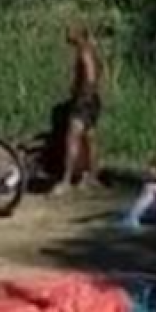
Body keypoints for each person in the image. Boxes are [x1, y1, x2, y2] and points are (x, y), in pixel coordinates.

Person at [63, 25, 104, 190]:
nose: (67, 35)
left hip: (84, 101)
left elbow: (91, 76)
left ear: (79, 34)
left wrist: (81, 95)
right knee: (89, 139)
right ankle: (91, 176)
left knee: (72, 138)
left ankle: (66, 180)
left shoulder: (84, 52)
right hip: (93, 100)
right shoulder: (92, 50)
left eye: (70, 31)